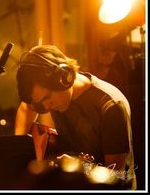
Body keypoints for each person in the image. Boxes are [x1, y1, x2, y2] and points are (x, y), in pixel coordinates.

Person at [14, 45, 136, 189]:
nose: (46, 107)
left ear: (64, 77)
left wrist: (79, 167)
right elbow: (26, 107)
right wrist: (17, 152)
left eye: (48, 98)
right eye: (40, 102)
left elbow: (117, 176)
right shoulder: (51, 98)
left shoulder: (111, 107)